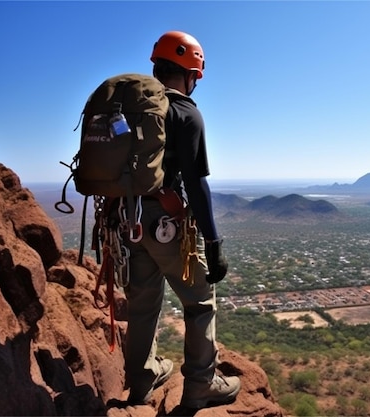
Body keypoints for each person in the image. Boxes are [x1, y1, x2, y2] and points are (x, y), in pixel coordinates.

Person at [123, 30, 240, 409]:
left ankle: (141, 381)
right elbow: (197, 183)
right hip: (165, 222)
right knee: (200, 301)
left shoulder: (132, 107)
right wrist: (214, 241)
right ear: (190, 74)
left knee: (142, 302)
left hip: (127, 219)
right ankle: (200, 386)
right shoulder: (186, 112)